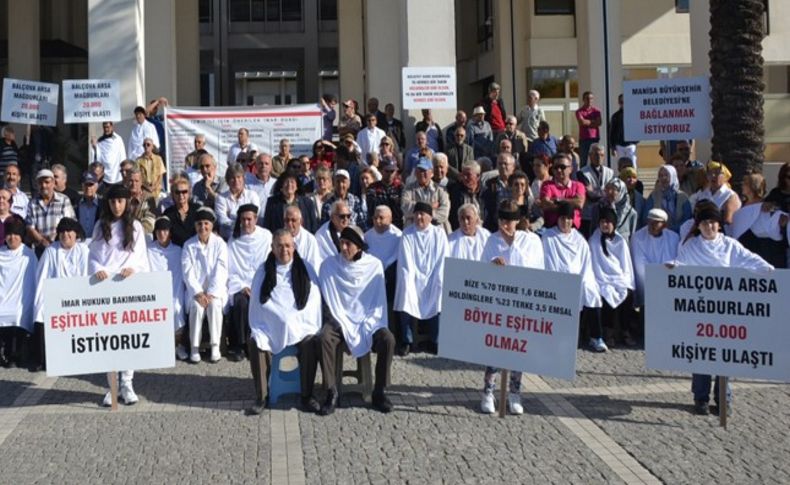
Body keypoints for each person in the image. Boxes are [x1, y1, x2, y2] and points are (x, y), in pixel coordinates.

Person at [673, 204, 774, 416]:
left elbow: (749, 259)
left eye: (712, 222)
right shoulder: (690, 247)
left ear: (719, 224)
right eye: (704, 223)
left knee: (724, 356)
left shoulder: (730, 245)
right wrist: (671, 267)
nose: (709, 226)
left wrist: (764, 268)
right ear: (698, 226)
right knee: (701, 354)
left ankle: (723, 398)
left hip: (726, 312)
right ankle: (700, 397)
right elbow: (681, 266)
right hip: (701, 310)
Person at [318, 226, 396, 415]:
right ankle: (331, 391)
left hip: (367, 319)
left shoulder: (374, 266)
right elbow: (328, 299)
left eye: (348, 244)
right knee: (324, 338)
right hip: (338, 318)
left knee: (388, 339)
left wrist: (367, 323)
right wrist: (338, 320)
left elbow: (377, 302)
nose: (343, 247)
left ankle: (379, 392)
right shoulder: (329, 265)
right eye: (341, 243)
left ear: (359, 247)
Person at [478, 200, 545, 415]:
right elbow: (481, 269)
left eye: (510, 220)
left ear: (518, 220)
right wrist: (493, 266)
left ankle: (515, 391)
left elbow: (537, 269)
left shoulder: (531, 241)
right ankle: (488, 391)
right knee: (495, 348)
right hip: (498, 303)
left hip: (522, 302)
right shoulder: (491, 240)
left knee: (518, 350)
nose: (506, 224)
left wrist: (512, 245)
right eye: (502, 219)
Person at [247, 229, 323, 414]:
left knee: (310, 342)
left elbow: (313, 299)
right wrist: (280, 317)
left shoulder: (305, 268)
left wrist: (293, 317)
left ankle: (307, 395)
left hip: (300, 323)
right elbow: (258, 301)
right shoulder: (263, 271)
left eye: (288, 245)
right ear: (272, 248)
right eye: (279, 246)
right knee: (256, 341)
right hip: (271, 324)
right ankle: (262, 396)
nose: (284, 250)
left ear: (294, 247)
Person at [89, 184, 150, 406]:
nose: (116, 205)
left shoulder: (135, 227)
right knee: (110, 339)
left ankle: (127, 382)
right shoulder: (99, 226)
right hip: (107, 290)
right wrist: (97, 269)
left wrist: (133, 268)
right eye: (113, 201)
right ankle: (112, 385)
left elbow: (141, 257)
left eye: (120, 201)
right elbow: (93, 256)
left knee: (128, 338)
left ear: (127, 203)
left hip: (127, 287)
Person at [543, 202, 606, 352]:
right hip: (556, 278)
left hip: (579, 278)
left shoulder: (579, 239)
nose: (566, 222)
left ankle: (596, 336)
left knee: (591, 292)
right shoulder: (548, 237)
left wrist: (581, 280)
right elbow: (546, 260)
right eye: (563, 218)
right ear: (558, 219)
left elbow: (585, 264)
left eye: (569, 219)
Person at [31, 217, 88, 370]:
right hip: (55, 298)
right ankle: (44, 360)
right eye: (62, 231)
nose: (65, 234)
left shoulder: (83, 250)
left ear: (76, 233)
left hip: (79, 298)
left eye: (69, 231)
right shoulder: (51, 251)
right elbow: (42, 277)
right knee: (41, 313)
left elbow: (87, 276)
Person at [394, 202, 448, 355]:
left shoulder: (439, 233)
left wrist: (435, 277)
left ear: (430, 217)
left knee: (439, 291)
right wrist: (411, 279)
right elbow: (405, 260)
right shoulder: (407, 233)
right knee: (405, 293)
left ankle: (435, 340)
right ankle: (407, 340)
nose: (419, 217)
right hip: (412, 275)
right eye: (416, 213)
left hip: (433, 275)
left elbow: (442, 258)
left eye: (422, 214)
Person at [182, 207, 229, 364]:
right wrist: (198, 292)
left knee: (215, 306)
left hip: (215, 291)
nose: (203, 227)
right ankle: (194, 348)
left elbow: (221, 270)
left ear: (212, 225)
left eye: (206, 223)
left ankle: (215, 346)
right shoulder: (188, 245)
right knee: (196, 307)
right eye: (200, 224)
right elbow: (187, 272)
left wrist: (211, 293)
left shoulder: (220, 244)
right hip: (195, 292)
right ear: (195, 226)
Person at [227, 204, 272, 361]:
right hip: (241, 285)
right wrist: (242, 286)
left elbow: (270, 264)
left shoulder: (266, 236)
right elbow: (230, 269)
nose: (246, 223)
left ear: (256, 219)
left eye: (249, 219)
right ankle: (241, 345)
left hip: (261, 282)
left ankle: (262, 342)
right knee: (241, 303)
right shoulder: (233, 240)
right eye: (243, 220)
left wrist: (259, 285)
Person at [590, 206, 636, 347]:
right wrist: (604, 280)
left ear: (614, 224)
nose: (605, 225)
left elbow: (626, 265)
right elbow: (595, 263)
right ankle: (608, 331)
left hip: (619, 278)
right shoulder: (594, 240)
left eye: (608, 222)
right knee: (606, 294)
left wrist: (623, 281)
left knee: (627, 294)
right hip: (602, 279)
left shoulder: (620, 241)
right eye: (602, 222)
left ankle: (625, 330)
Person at [147, 216, 188, 360]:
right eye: (158, 231)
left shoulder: (178, 250)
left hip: (175, 288)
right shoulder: (149, 250)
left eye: (164, 230)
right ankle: (159, 347)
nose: (161, 234)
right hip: (154, 290)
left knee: (177, 308)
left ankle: (178, 346)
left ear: (170, 232)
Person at [728, 173, 788, 269]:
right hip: (745, 248)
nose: (742, 185)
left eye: (745, 183)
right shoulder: (742, 204)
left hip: (765, 250)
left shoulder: (766, 205)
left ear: (753, 186)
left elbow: (778, 221)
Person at [0, 216, 37, 368]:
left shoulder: (28, 255)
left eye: (16, 234)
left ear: (21, 237)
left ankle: (16, 355)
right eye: (9, 234)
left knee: (18, 313)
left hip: (21, 298)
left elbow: (32, 280)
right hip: (2, 296)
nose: (12, 237)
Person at [630, 208, 679, 324]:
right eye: (650, 222)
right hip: (646, 280)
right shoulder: (637, 237)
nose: (652, 226)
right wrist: (655, 280)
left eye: (656, 223)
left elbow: (676, 259)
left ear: (665, 225)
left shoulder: (674, 238)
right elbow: (639, 266)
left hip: (667, 279)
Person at [364, 206, 403, 341]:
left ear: (390, 219)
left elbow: (398, 257)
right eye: (375, 218)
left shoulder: (398, 235)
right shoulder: (367, 236)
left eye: (381, 218)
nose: (378, 221)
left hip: (391, 277)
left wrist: (385, 270)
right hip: (371, 277)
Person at [26, 169, 76, 257]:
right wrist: (42, 241)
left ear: (53, 183)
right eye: (40, 183)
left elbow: (69, 223)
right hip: (40, 250)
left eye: (47, 182)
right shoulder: (32, 203)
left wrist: (53, 240)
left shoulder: (63, 200)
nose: (43, 185)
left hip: (61, 247)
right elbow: (30, 227)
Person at [401, 157, 451, 233]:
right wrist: (430, 206)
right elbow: (405, 208)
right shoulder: (408, 189)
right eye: (419, 170)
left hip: (437, 229)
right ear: (415, 172)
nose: (421, 173)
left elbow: (444, 213)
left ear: (431, 173)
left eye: (424, 170)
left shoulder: (441, 190)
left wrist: (421, 213)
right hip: (414, 229)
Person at [539, 153, 585, 230]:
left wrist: (557, 200)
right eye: (556, 167)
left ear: (570, 169)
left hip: (573, 230)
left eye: (562, 167)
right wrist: (569, 206)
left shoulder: (578, 186)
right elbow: (545, 205)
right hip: (552, 229)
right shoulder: (547, 185)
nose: (559, 170)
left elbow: (579, 203)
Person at [215, 163, 261, 240]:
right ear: (227, 180)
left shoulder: (252, 195)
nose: (236, 181)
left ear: (243, 178)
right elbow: (222, 220)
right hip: (228, 238)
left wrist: (231, 217)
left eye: (238, 177)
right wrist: (244, 222)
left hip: (249, 237)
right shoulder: (221, 198)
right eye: (232, 178)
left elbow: (255, 215)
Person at [578, 143, 614, 237]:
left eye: (601, 155)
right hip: (588, 216)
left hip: (605, 214)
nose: (599, 157)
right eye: (596, 154)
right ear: (590, 156)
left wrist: (595, 191)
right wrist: (605, 191)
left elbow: (612, 193)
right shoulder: (582, 173)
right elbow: (590, 196)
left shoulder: (610, 172)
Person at [645, 164, 691, 233]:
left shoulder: (683, 197)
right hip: (657, 234)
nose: (663, 178)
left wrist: (673, 230)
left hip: (679, 234)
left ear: (673, 176)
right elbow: (646, 217)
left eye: (666, 175)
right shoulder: (653, 196)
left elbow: (687, 220)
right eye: (661, 175)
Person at [697, 161, 742, 226]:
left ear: (724, 176)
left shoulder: (730, 196)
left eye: (717, 173)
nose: (713, 175)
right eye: (710, 173)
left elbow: (728, 221)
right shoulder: (702, 194)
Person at [283, 205, 322, 276]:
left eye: (293, 220)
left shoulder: (310, 240)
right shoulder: (278, 238)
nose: (289, 223)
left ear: (301, 221)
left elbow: (314, 267)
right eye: (287, 220)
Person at [163, 177, 201, 247]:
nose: (181, 195)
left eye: (184, 192)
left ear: (189, 193)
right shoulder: (168, 213)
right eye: (177, 192)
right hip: (175, 252)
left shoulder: (198, 210)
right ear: (172, 194)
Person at [448, 160, 484, 230]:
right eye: (463, 174)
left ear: (478, 176)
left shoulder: (485, 192)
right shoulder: (454, 191)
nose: (464, 177)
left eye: (468, 175)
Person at [608, 94, 639, 168]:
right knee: (621, 164)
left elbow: (637, 128)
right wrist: (612, 147)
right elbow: (611, 132)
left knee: (633, 164)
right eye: (621, 102)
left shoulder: (633, 114)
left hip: (630, 144)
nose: (623, 104)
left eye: (625, 102)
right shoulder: (615, 116)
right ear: (619, 103)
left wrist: (635, 141)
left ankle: (634, 178)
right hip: (619, 145)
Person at [125, 167, 157, 234]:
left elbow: (150, 223)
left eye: (136, 181)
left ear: (141, 182)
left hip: (141, 235)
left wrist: (133, 232)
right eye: (131, 181)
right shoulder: (122, 197)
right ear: (126, 181)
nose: (134, 184)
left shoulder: (149, 198)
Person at [245, 152, 277, 219]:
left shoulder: (276, 183)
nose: (263, 166)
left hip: (272, 223)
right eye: (261, 163)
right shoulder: (247, 184)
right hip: (254, 224)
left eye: (266, 164)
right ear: (256, 166)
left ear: (271, 167)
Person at [575, 91, 602, 167]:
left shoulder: (596, 111)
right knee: (583, 160)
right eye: (587, 98)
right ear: (583, 99)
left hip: (594, 138)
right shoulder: (579, 111)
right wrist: (593, 122)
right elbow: (582, 122)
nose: (589, 100)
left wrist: (587, 122)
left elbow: (599, 122)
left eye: (591, 98)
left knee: (595, 159)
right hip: (584, 139)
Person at [77, 171, 102, 238]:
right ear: (82, 185)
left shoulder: (103, 204)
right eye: (85, 184)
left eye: (91, 184)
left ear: (97, 185)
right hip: (79, 242)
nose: (88, 188)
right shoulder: (75, 203)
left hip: (97, 242)